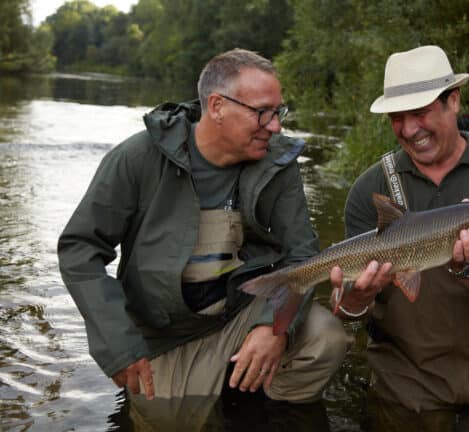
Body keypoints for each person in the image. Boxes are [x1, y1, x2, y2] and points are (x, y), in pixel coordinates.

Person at [58, 48, 346, 429]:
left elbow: (302, 256)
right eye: (262, 112)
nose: (275, 126)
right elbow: (80, 250)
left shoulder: (277, 163)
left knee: (325, 339)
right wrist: (118, 344)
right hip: (167, 335)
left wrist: (273, 326)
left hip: (242, 313)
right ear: (217, 106)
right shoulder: (136, 158)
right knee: (164, 423)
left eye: (279, 112)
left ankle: (267, 405)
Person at [329, 45, 469, 430]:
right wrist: (358, 296)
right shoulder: (370, 189)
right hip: (405, 375)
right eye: (397, 117)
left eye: (421, 112)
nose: (409, 130)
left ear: (453, 101)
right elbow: (344, 309)